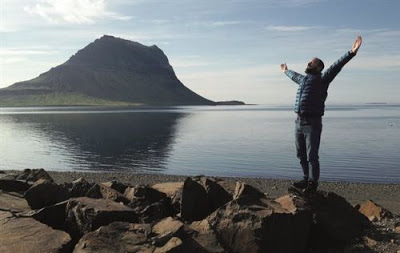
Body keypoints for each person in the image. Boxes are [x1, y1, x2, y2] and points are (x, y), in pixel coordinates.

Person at [281, 36, 362, 193]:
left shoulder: (323, 79)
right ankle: (305, 179)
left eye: (312, 62)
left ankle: (313, 184)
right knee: (300, 154)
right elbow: (293, 75)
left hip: (312, 123)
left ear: (318, 67)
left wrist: (351, 53)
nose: (308, 63)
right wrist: (286, 71)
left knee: (312, 156)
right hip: (298, 122)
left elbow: (337, 66)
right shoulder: (303, 80)